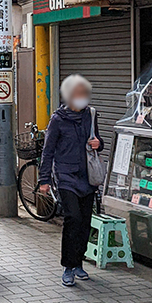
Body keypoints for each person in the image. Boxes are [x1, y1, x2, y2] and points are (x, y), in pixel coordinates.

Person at [39, 74, 102, 287]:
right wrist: (44, 180)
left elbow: (98, 141)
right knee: (72, 218)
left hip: (87, 175)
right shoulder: (58, 120)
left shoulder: (91, 115)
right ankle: (68, 265)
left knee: (85, 221)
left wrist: (97, 144)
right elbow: (47, 152)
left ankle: (78, 263)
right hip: (66, 176)